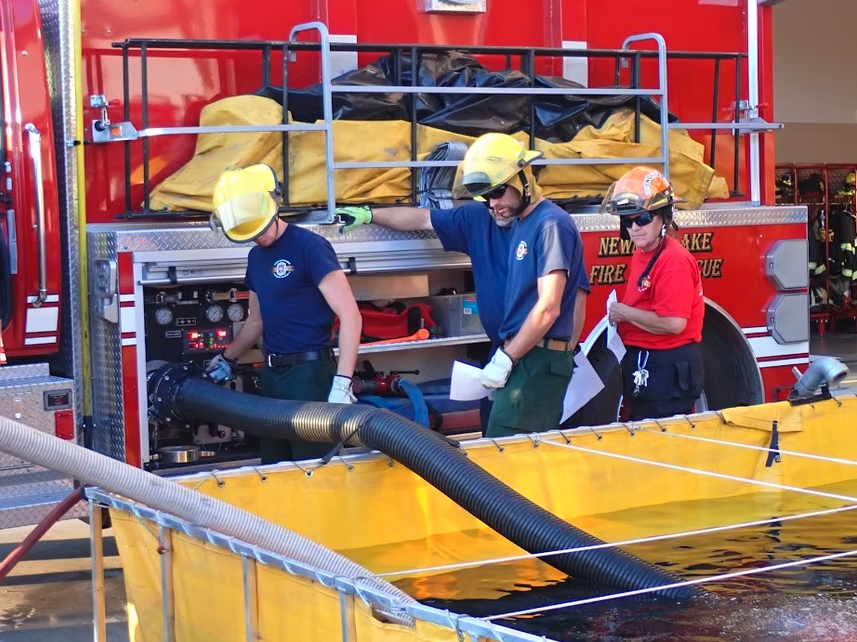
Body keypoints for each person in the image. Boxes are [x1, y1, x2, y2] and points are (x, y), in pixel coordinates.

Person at [336, 133, 589, 436]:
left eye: (497, 192)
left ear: (524, 178)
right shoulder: (500, 218)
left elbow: (550, 307)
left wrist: (516, 359)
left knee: (507, 451)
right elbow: (422, 220)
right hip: (514, 356)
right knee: (499, 447)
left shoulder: (551, 225)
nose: (493, 204)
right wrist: (368, 214)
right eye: (484, 196)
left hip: (532, 359)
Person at [205, 164, 363, 464]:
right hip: (273, 376)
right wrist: (227, 359)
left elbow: (351, 315)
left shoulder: (309, 247)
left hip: (310, 376)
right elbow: (256, 321)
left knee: (313, 468)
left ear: (272, 210)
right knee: (275, 467)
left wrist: (342, 382)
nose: (257, 238)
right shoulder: (256, 257)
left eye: (260, 229)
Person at [603, 166, 705, 421]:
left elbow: (674, 323)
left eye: (643, 218)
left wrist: (625, 313)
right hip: (649, 367)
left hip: (667, 373)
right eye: (627, 221)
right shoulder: (644, 252)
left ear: (663, 217)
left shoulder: (673, 261)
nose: (634, 227)